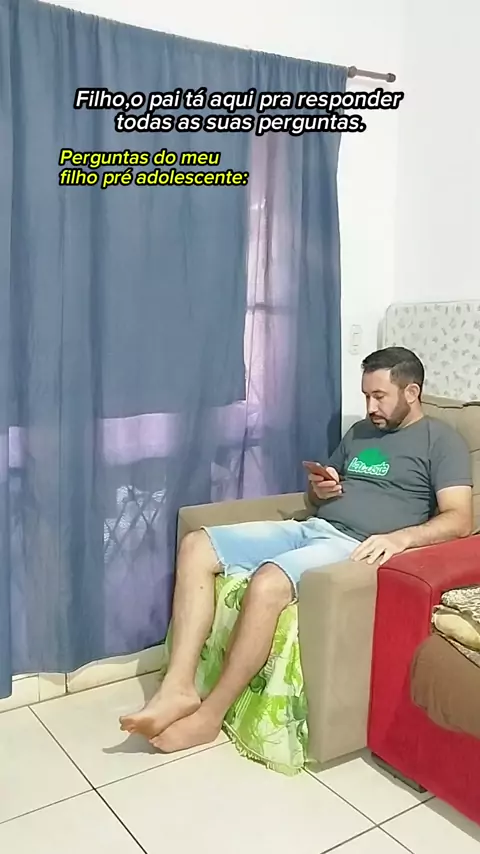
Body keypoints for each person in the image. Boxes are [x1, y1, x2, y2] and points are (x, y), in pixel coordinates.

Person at [120, 346, 473, 752]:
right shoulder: (361, 433)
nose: (370, 407)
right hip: (312, 526)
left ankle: (210, 716)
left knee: (268, 582)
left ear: (411, 392)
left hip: (353, 546)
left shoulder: (441, 442)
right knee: (196, 545)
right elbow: (320, 495)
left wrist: (401, 538)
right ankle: (178, 687)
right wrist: (321, 489)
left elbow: (459, 519)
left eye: (379, 396)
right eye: (366, 396)